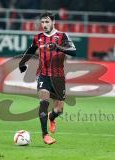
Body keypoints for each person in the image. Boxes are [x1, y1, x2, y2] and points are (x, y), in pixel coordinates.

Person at [18, 11, 76, 145]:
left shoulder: (62, 36)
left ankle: (52, 117)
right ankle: (45, 135)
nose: (44, 25)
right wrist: (22, 63)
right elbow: (30, 50)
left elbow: (74, 51)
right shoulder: (38, 37)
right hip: (43, 74)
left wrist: (58, 47)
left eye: (47, 22)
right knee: (43, 102)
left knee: (59, 109)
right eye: (42, 22)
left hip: (58, 77)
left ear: (53, 22)